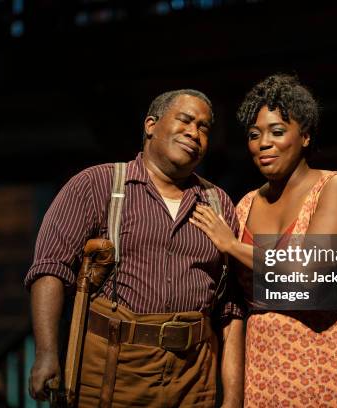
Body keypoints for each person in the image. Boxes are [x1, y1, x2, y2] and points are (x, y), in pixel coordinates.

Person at [25, 89, 244, 407]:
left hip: (193, 376)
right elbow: (50, 269)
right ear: (151, 125)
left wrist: (233, 397)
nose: (194, 133)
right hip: (114, 370)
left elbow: (230, 307)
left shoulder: (218, 202)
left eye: (204, 127)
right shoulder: (97, 185)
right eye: (184, 120)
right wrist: (46, 353)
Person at [190, 75, 337, 406]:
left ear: (306, 136)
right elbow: (235, 309)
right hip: (266, 373)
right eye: (254, 135)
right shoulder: (245, 206)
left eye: (277, 132)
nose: (263, 143)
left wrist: (232, 245)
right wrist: (233, 396)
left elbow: (307, 277)